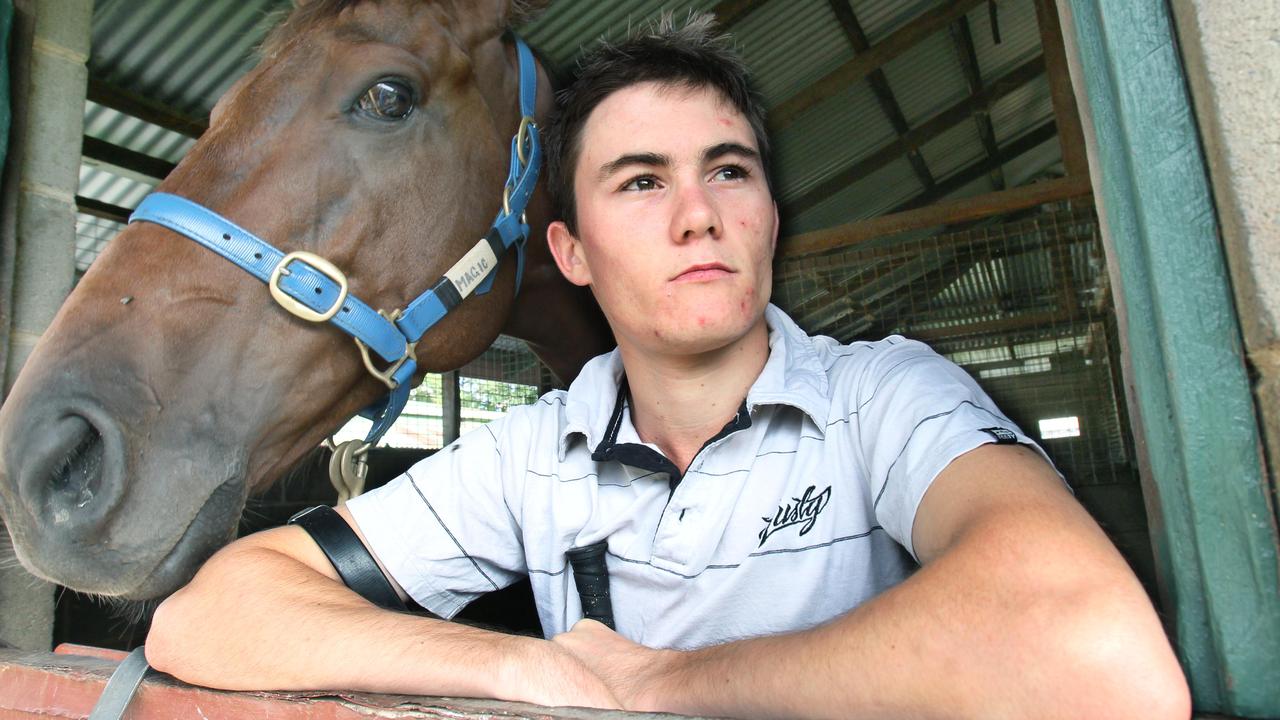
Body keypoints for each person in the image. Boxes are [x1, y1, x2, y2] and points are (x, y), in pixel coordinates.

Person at [146, 14, 1191, 719]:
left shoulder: (881, 394)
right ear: (570, 253)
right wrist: (529, 666)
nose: (698, 215)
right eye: (640, 182)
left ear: (769, 217)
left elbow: (1097, 655)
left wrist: (666, 686)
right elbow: (208, 617)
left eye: (727, 171)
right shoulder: (531, 456)